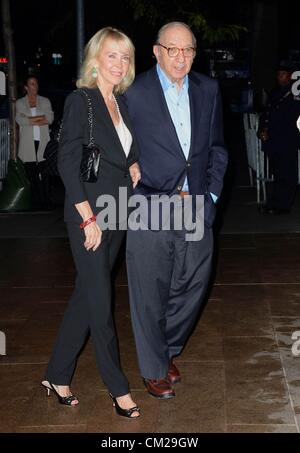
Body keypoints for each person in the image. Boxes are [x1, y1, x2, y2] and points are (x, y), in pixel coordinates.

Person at [123, 22, 228, 399]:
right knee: (149, 290)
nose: (180, 57)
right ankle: (153, 367)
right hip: (151, 204)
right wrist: (127, 169)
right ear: (156, 51)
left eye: (188, 50)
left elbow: (217, 147)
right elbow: (109, 138)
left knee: (192, 286)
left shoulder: (209, 89)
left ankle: (164, 349)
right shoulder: (133, 91)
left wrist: (211, 197)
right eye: (172, 49)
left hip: (196, 205)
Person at [42, 27, 141, 418]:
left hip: (118, 209)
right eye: (112, 55)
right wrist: (87, 220)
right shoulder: (80, 100)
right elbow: (68, 161)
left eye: (126, 57)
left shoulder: (121, 102)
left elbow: (122, 150)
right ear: (95, 60)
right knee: (101, 301)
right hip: (89, 215)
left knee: (87, 295)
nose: (120, 64)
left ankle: (56, 374)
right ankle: (118, 388)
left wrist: (133, 163)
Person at [258, 62, 300, 214]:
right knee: (277, 174)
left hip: (286, 140)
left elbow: (291, 118)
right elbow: (266, 114)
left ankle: (283, 205)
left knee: (286, 174)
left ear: (289, 76)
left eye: (282, 74)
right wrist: (262, 130)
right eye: (278, 74)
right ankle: (274, 203)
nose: (279, 77)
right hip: (274, 140)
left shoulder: (294, 95)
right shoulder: (276, 92)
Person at [16, 76, 54, 208]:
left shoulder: (45, 101)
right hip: (28, 143)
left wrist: (30, 119)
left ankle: (46, 200)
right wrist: (39, 118)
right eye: (32, 84)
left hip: (42, 141)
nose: (35, 86)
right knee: (31, 174)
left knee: (44, 173)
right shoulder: (20, 103)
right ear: (26, 87)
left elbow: (49, 119)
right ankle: (34, 201)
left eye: (36, 83)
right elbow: (20, 121)